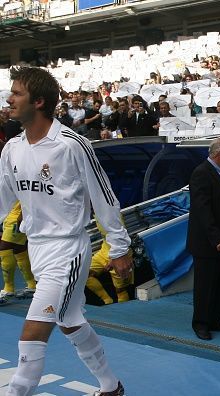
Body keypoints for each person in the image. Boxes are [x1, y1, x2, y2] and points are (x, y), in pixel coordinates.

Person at [1, 66, 131, 396]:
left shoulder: (72, 145)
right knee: (70, 321)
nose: (9, 98)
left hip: (68, 250)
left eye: (17, 93)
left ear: (39, 102)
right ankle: (111, 386)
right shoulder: (12, 149)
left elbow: (104, 197)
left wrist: (119, 246)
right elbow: (1, 200)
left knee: (31, 337)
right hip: (37, 248)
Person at [186, 138, 220, 341]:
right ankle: (201, 323)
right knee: (205, 286)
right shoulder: (201, 173)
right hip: (208, 243)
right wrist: (217, 237)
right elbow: (202, 210)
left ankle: (217, 319)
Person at [86, 217, 134, 305]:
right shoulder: (96, 213)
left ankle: (125, 311)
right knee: (84, 273)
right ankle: (107, 300)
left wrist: (116, 257)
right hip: (104, 251)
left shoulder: (110, 211)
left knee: (120, 290)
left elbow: (122, 235)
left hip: (120, 253)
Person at [0, 201, 36, 305]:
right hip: (11, 214)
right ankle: (32, 285)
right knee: (18, 249)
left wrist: (21, 216)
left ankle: (8, 289)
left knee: (4, 248)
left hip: (18, 216)